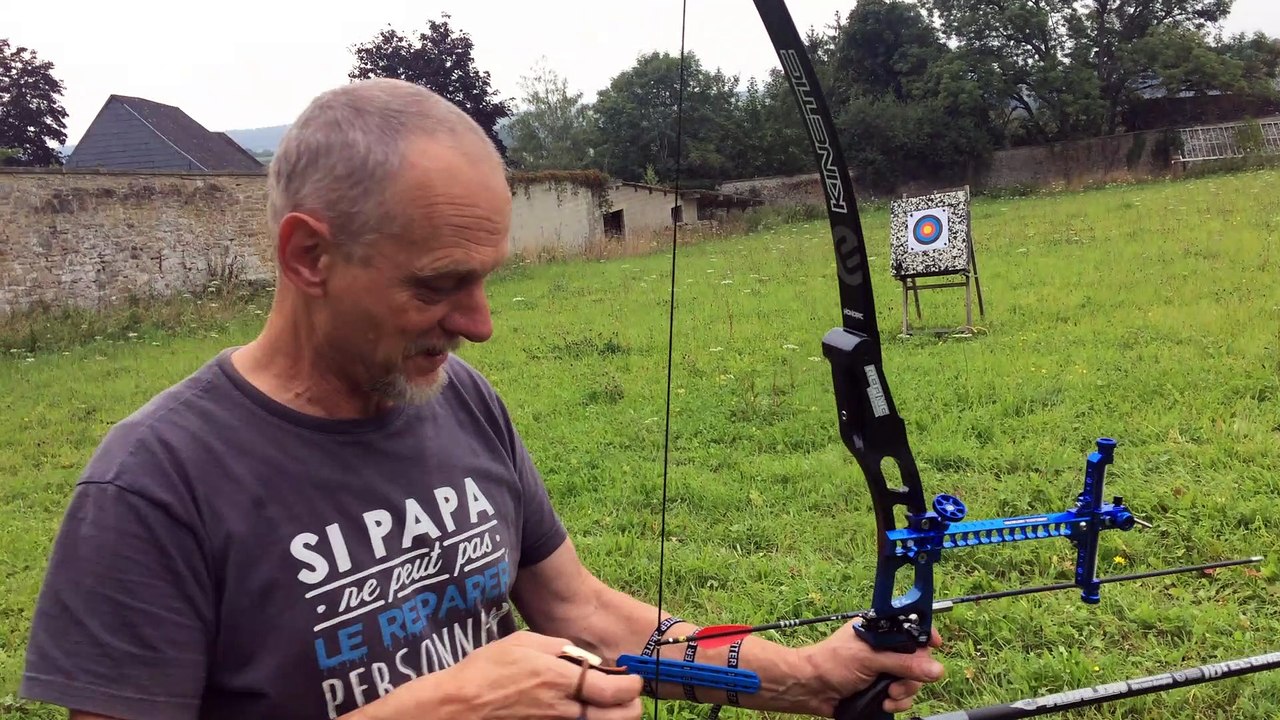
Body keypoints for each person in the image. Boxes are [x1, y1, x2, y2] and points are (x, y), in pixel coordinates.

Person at [20, 78, 945, 720]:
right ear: (309, 256)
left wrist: (811, 679)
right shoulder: (153, 484)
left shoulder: (458, 399)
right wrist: (450, 704)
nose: (480, 324)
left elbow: (581, 610)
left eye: (487, 278)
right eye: (438, 284)